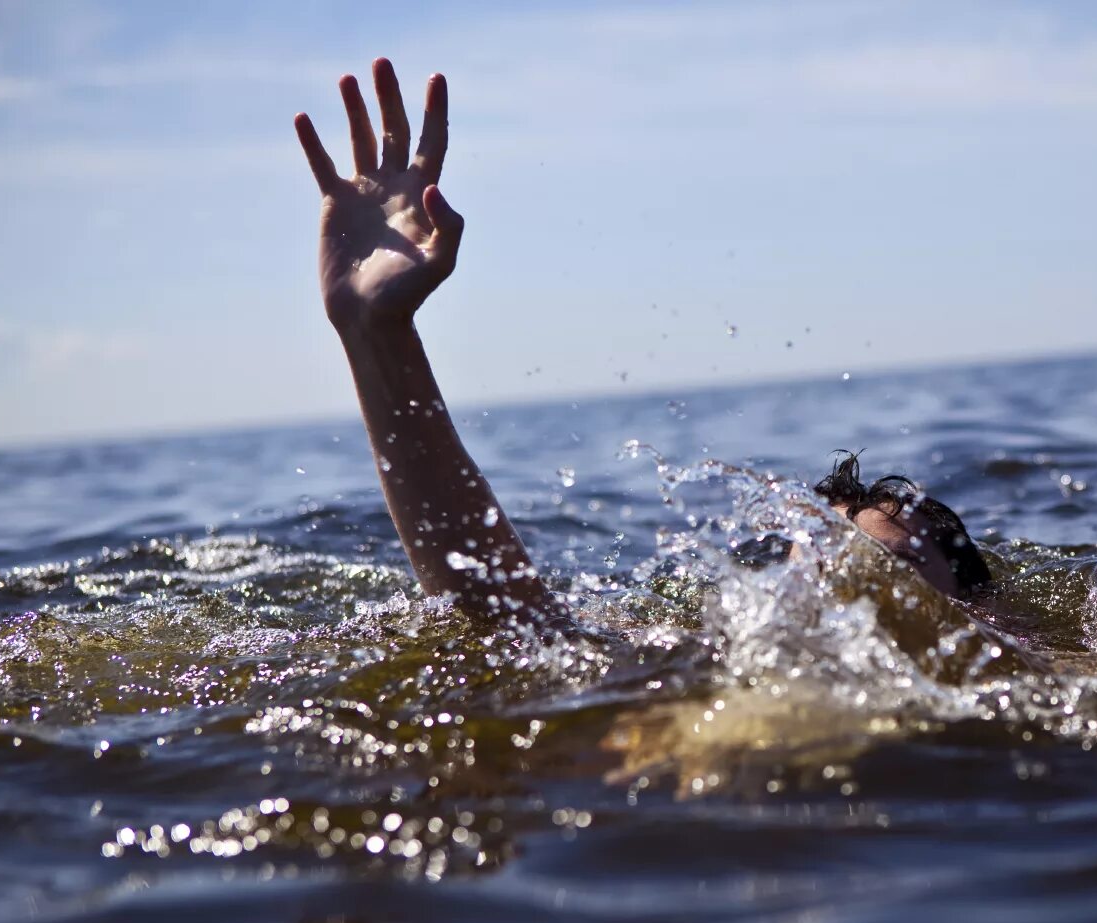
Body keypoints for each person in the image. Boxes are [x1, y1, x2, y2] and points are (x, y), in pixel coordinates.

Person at [294, 59, 988, 634]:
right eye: (823, 563)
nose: (842, 582)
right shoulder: (698, 670)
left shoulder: (1015, 682)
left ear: (980, 619)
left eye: (888, 567)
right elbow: (510, 624)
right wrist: (376, 337)